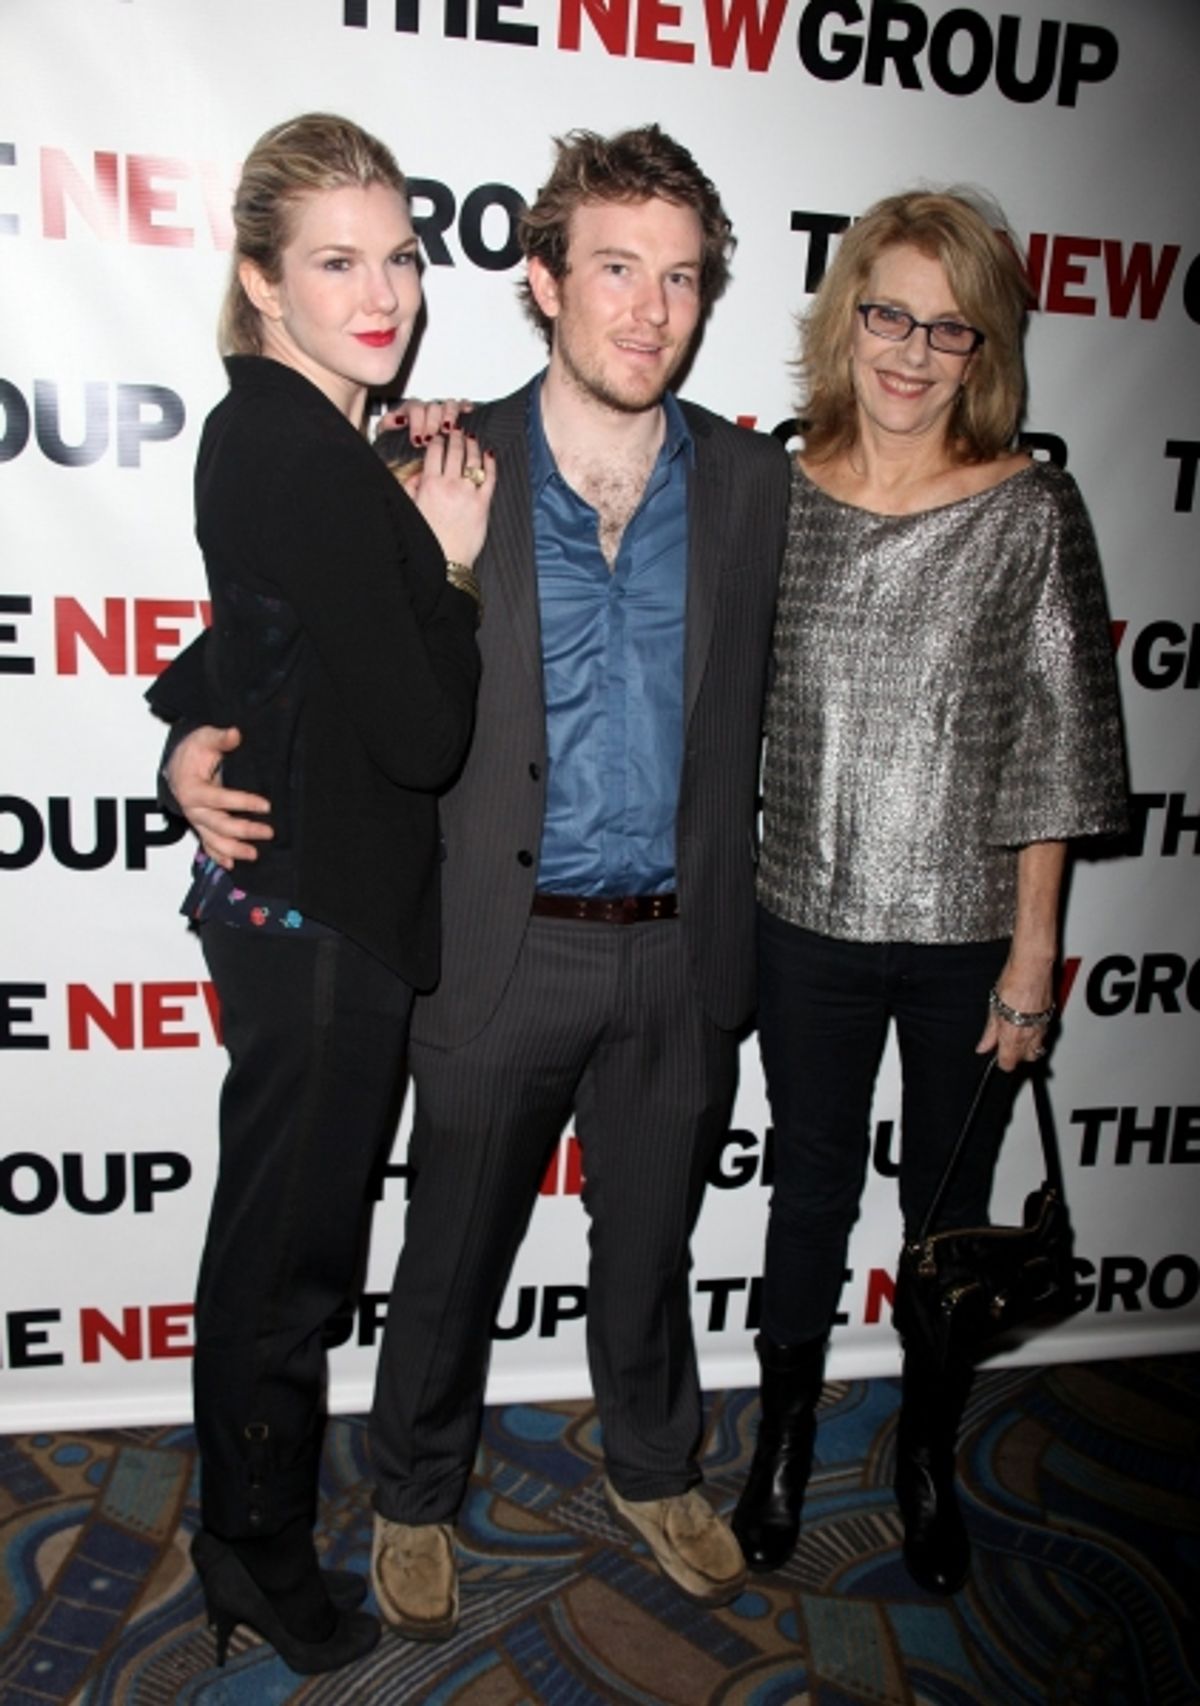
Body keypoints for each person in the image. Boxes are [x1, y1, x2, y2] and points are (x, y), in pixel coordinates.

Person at [162, 124, 790, 1635]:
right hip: (500, 939)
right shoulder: (435, 458)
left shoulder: (760, 482)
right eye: (616, 269)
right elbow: (287, 617)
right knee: (444, 1259)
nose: (649, 308)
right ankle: (416, 1494)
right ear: (545, 281)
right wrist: (189, 732)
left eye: (681, 279)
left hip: (682, 940)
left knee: (650, 1247)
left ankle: (657, 1466)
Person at [731, 189, 1127, 1596]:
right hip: (802, 917)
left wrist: (1034, 959)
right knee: (807, 1195)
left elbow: (1056, 747)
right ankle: (784, 1435)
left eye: (947, 328)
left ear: (985, 348)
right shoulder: (773, 491)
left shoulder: (1031, 505)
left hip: (968, 941)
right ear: (847, 317)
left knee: (944, 1221)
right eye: (888, 314)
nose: (910, 351)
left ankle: (926, 1454)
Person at [146, 113, 491, 1674]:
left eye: (399, 258)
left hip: (297, 910)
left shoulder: (284, 435)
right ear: (260, 279)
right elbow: (422, 735)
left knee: (276, 1246)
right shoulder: (299, 443)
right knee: (288, 1265)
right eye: (337, 262)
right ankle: (257, 1549)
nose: (383, 293)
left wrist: (180, 733)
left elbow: (254, 636)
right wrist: (452, 564)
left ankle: (246, 1526)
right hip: (326, 924)